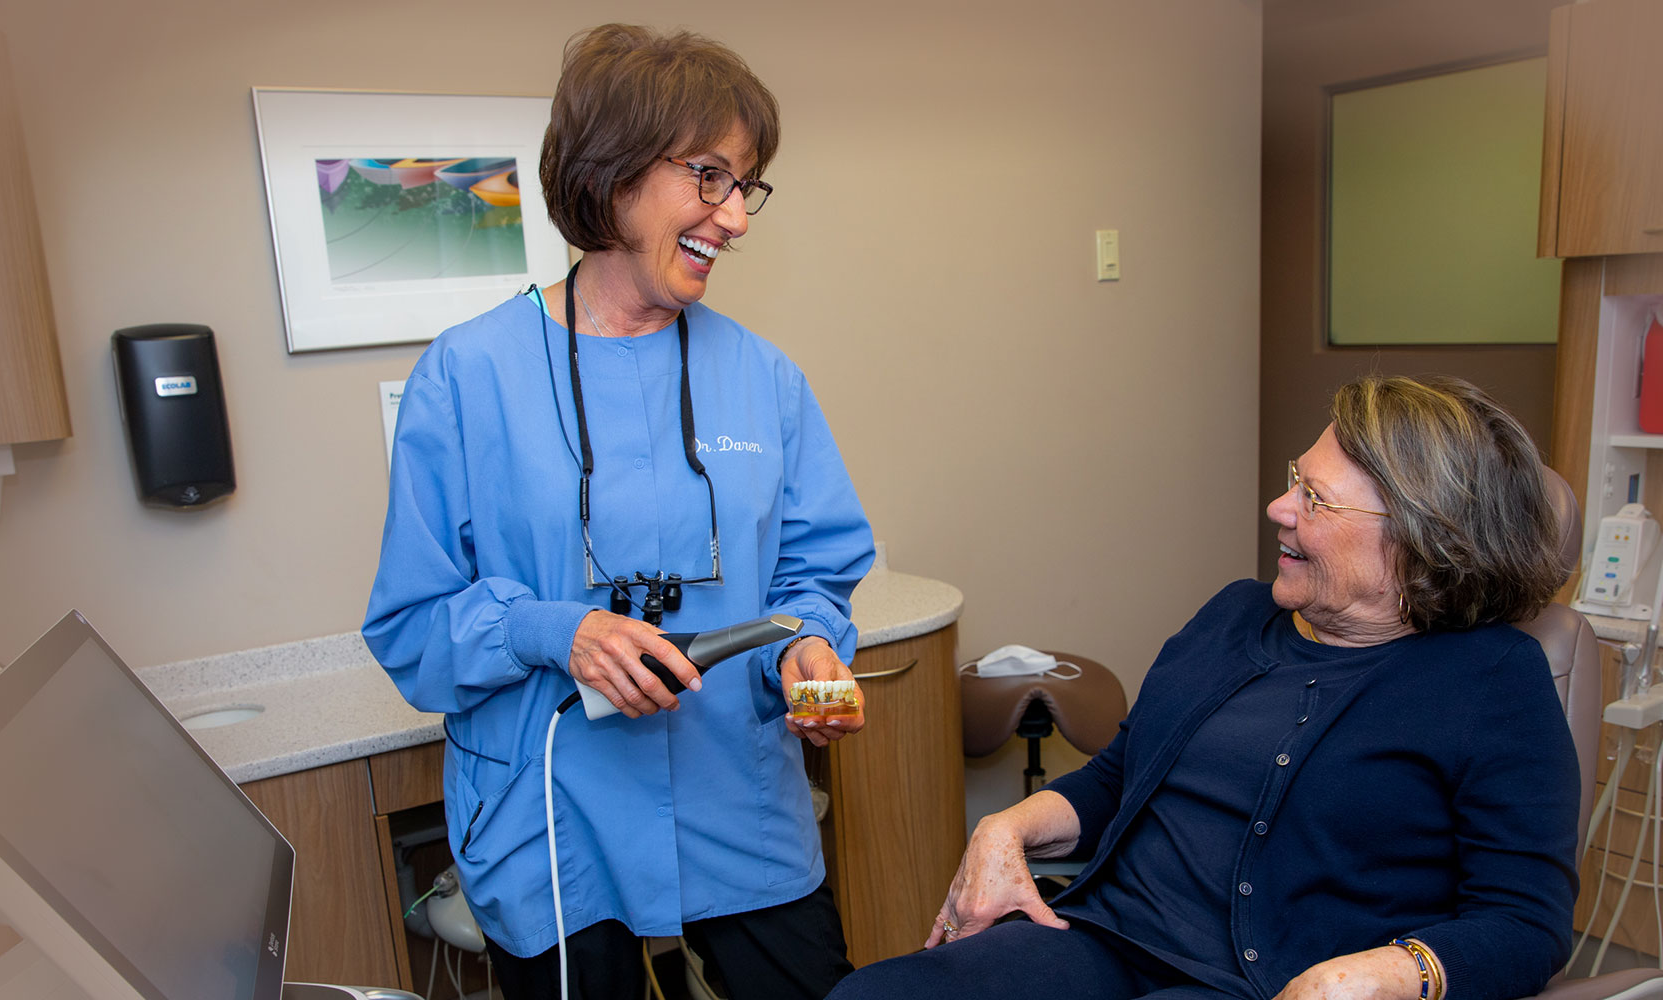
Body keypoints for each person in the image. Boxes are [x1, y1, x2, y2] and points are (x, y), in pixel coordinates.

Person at [363, 23, 875, 1000]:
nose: (734, 217)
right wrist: (553, 630)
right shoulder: (466, 378)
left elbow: (809, 576)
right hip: (551, 825)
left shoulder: (764, 380)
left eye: (745, 185)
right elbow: (410, 628)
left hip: (739, 813)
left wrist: (807, 647)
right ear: (614, 170)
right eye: (710, 177)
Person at [830, 375, 1579, 1000]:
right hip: (1103, 943)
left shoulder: (1491, 681)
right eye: (1295, 481)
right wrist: (1007, 827)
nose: (1279, 510)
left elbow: (1524, 922)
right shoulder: (1235, 615)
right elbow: (1121, 778)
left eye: (1315, 500)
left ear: (1421, 537)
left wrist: (1374, 976)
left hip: (1271, 985)